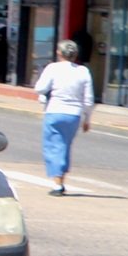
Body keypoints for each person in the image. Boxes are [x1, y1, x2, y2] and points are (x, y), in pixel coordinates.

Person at [32, 39, 95, 195]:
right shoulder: (83, 71)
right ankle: (61, 178)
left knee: (53, 146)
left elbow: (40, 88)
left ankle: (58, 183)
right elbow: (88, 99)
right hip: (74, 114)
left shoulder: (52, 68)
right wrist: (87, 119)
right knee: (64, 145)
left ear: (59, 53)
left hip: (54, 111)